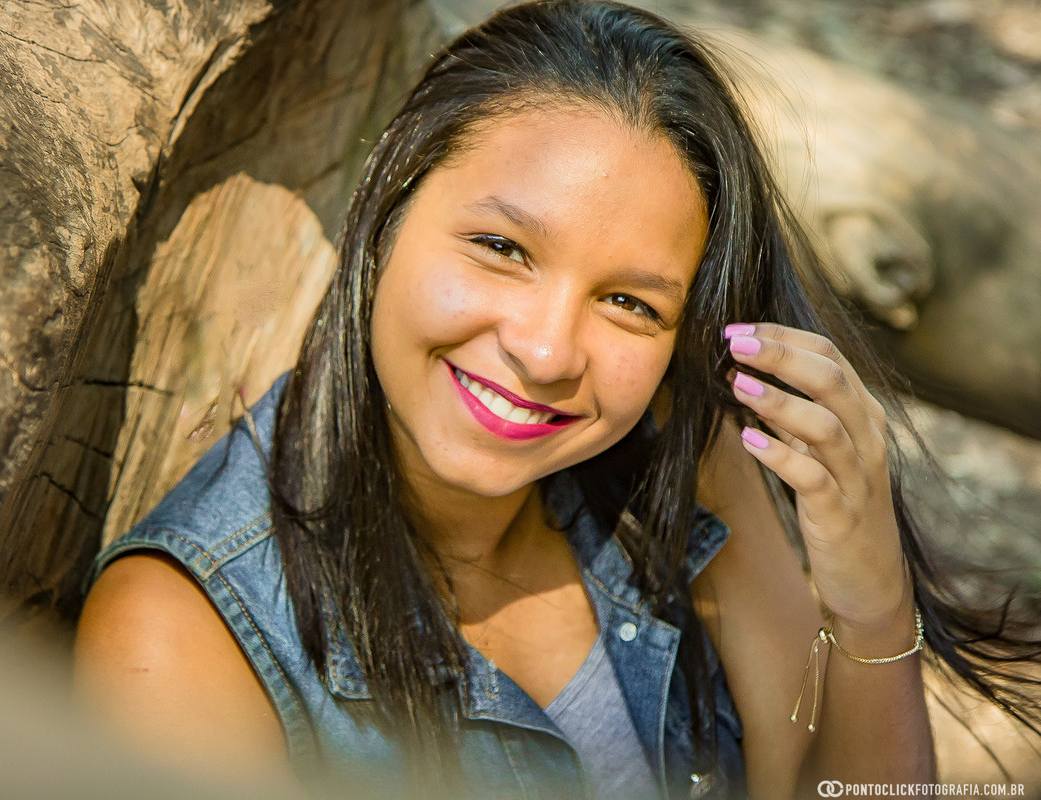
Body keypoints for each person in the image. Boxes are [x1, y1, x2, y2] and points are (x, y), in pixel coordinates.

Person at [73, 2, 1041, 799]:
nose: (543, 351)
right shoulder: (178, 635)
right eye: (501, 247)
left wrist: (872, 601)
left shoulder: (684, 454)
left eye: (629, 302)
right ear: (387, 205)